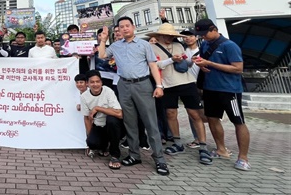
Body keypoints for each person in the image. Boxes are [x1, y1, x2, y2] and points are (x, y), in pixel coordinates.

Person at [97, 17, 169, 176]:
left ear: (133, 27)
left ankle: (159, 158)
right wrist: (103, 40)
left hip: (142, 84)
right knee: (130, 121)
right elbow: (102, 55)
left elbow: (152, 65)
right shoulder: (115, 46)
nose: (124, 29)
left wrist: (158, 85)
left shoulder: (144, 44)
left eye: (127, 26)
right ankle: (134, 155)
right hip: (124, 85)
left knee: (150, 122)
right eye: (121, 27)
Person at [147, 24, 212, 166]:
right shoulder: (151, 48)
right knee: (171, 113)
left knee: (195, 114)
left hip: (187, 82)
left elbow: (185, 64)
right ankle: (177, 142)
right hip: (167, 84)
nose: (169, 37)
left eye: (171, 35)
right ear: (158, 35)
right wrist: (172, 60)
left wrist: (190, 61)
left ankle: (203, 146)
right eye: (166, 35)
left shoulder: (179, 46)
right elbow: (155, 65)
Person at [193, 19, 250, 171]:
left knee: (238, 121)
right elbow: (206, 62)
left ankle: (243, 157)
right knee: (212, 119)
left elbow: (238, 68)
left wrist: (210, 64)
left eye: (204, 33)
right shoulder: (205, 44)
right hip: (210, 88)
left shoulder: (229, 46)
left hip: (229, 89)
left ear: (214, 29)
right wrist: (202, 65)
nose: (203, 37)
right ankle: (221, 149)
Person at [81, 70, 124, 170]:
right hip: (99, 125)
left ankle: (115, 155)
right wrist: (90, 136)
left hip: (114, 126)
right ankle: (104, 146)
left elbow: (119, 114)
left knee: (112, 119)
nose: (95, 84)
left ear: (101, 82)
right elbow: (87, 118)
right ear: (87, 84)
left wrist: (98, 108)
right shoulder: (84, 97)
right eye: (92, 82)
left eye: (98, 81)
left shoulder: (108, 91)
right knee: (92, 142)